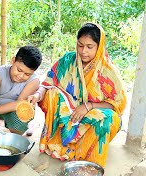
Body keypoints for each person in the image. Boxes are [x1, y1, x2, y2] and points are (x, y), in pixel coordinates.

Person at [27, 23, 127, 167]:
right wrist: (38, 94)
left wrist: (88, 106)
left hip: (92, 115)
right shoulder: (68, 60)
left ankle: (87, 156)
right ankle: (62, 143)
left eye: (89, 47)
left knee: (110, 119)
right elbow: (49, 81)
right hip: (69, 114)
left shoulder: (108, 70)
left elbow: (117, 104)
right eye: (80, 45)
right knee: (51, 94)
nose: (83, 51)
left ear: (99, 46)